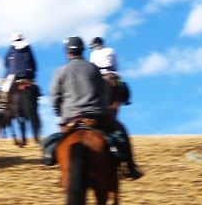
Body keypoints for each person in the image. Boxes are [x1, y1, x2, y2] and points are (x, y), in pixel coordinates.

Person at [42, 36, 142, 179]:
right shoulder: (93, 68)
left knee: (52, 140)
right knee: (121, 131)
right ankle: (130, 167)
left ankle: (49, 157)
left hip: (70, 117)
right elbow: (104, 91)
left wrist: (60, 115)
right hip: (96, 115)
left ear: (67, 53)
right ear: (83, 51)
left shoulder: (61, 71)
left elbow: (55, 96)